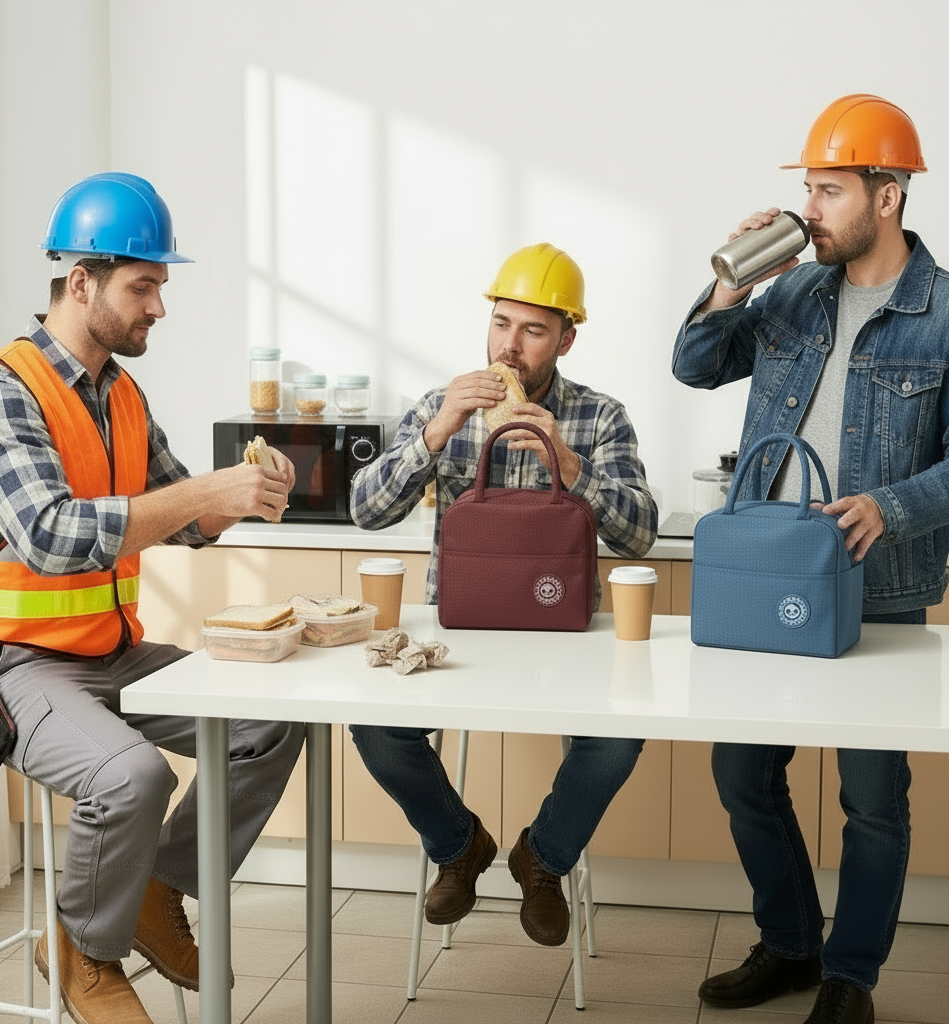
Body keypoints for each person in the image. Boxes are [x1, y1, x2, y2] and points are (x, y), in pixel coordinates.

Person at [0, 172, 305, 1024]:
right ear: (81, 283)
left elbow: (181, 519)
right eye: (145, 287)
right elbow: (53, 536)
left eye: (160, 288)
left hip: (108, 652)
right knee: (131, 776)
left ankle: (150, 894)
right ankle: (83, 953)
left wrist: (246, 496)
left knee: (272, 717)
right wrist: (207, 491)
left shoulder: (122, 395)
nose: (158, 309)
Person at [672, 94, 947, 1024]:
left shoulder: (944, 314)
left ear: (890, 194)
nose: (812, 209)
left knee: (872, 797)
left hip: (880, 585)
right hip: (770, 574)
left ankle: (851, 975)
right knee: (742, 774)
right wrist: (729, 286)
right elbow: (696, 366)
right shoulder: (790, 289)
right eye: (809, 189)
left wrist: (893, 504)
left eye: (830, 191)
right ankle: (791, 944)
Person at [349, 243, 658, 945]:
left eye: (533, 330)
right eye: (500, 324)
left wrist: (571, 464)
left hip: (569, 634)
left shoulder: (601, 417)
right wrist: (436, 432)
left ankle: (541, 860)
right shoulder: (442, 405)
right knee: (372, 724)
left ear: (567, 339)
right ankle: (459, 846)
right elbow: (365, 511)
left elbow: (640, 536)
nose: (509, 347)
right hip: (459, 633)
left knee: (620, 737)